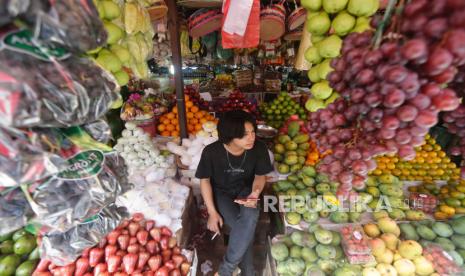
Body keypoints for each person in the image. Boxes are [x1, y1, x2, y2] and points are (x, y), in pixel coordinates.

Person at [195, 110, 273, 276]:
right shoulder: (211, 152)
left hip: (246, 190)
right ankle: (248, 271)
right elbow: (205, 181)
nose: (251, 138)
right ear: (230, 135)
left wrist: (255, 193)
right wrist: (212, 213)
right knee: (243, 228)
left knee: (249, 217)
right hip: (220, 193)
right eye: (245, 135)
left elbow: (260, 176)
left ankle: (226, 270)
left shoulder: (259, 148)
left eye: (253, 132)